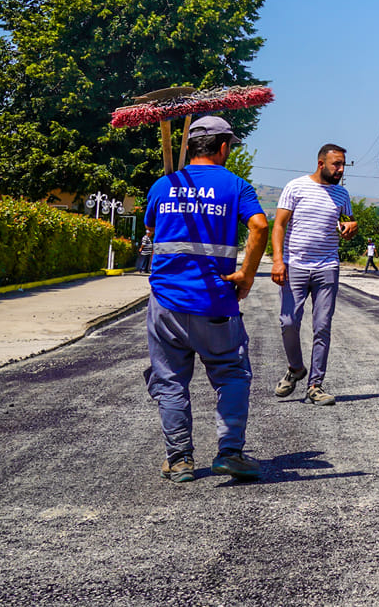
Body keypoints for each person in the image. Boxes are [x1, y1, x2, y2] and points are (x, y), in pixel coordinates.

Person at [142, 114, 270, 482]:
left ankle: (180, 460)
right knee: (230, 374)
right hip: (214, 301)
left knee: (169, 381)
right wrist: (246, 273)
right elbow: (260, 225)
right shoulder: (236, 186)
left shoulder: (164, 184)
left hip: (165, 301)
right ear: (224, 147)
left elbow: (152, 227)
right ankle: (230, 452)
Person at [271, 143, 356, 405]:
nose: (341, 169)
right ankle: (296, 368)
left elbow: (348, 222)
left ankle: (315, 385)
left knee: (322, 327)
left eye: (343, 164)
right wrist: (277, 261)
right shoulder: (295, 187)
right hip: (295, 265)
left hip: (327, 267)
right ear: (321, 164)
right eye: (336, 164)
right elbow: (279, 225)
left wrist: (351, 226)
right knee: (288, 322)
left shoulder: (342, 195)